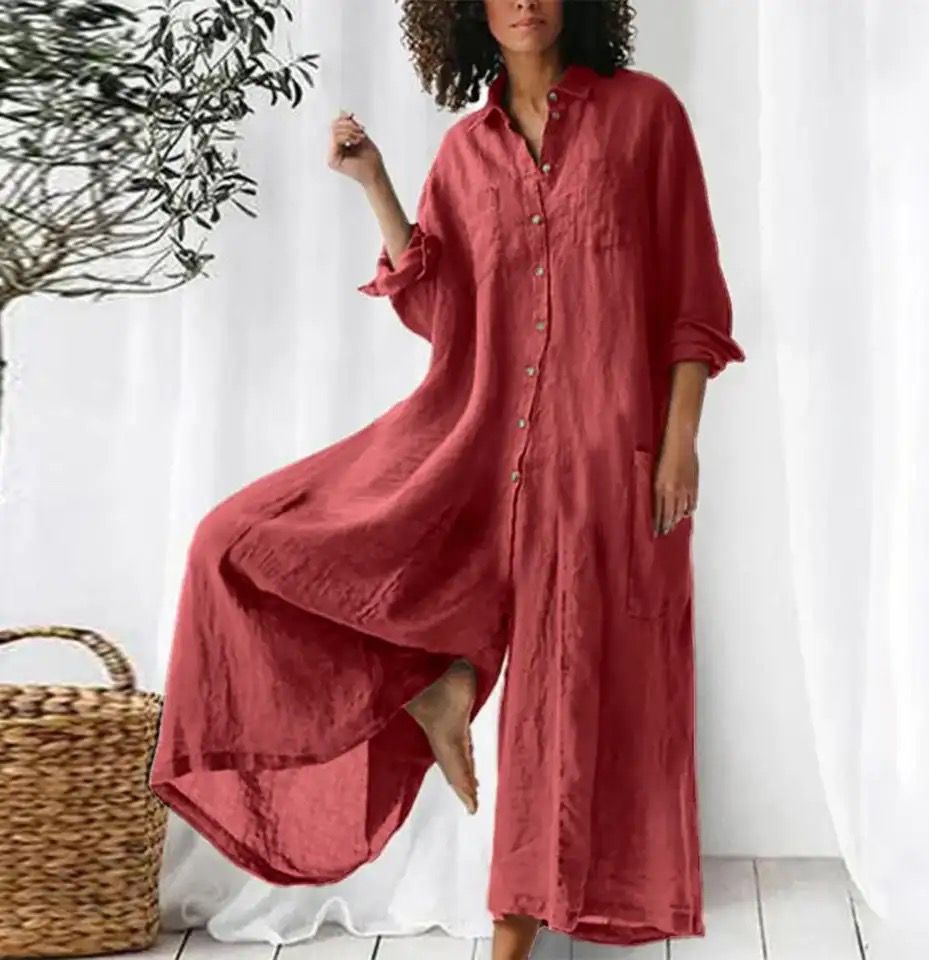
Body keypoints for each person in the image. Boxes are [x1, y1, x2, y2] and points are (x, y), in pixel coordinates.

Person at [149, 1, 746, 959]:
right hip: (478, 447)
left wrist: (681, 443)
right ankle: (440, 680)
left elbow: (693, 297)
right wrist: (375, 183)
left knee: (571, 696)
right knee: (237, 541)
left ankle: (512, 923)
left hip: (606, 460)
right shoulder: (466, 152)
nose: (524, 0)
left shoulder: (646, 116)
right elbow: (440, 312)